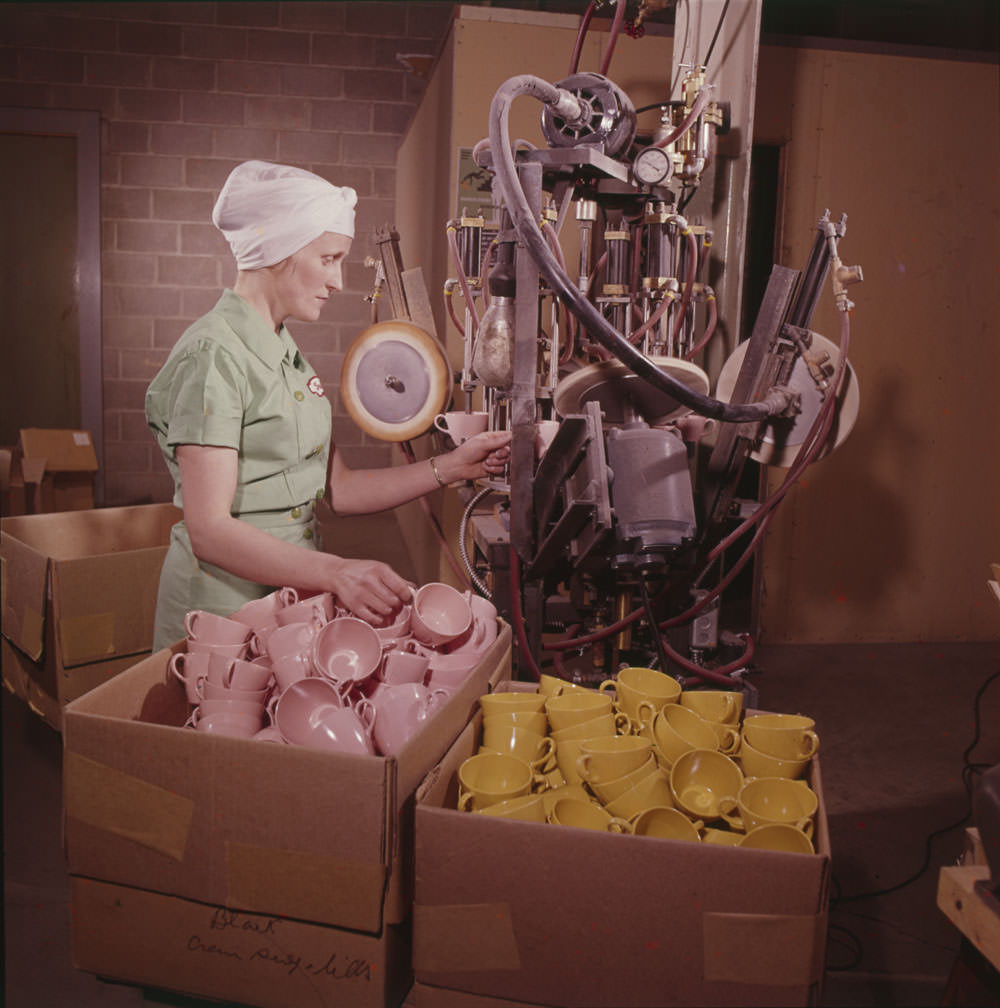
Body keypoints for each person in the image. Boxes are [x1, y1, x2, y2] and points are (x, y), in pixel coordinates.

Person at [146, 160, 510, 649]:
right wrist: (336, 572)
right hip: (220, 611)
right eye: (328, 258)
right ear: (281, 252)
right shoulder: (215, 357)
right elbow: (209, 530)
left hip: (290, 594)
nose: (338, 281)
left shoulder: (285, 353)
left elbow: (339, 488)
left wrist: (454, 466)